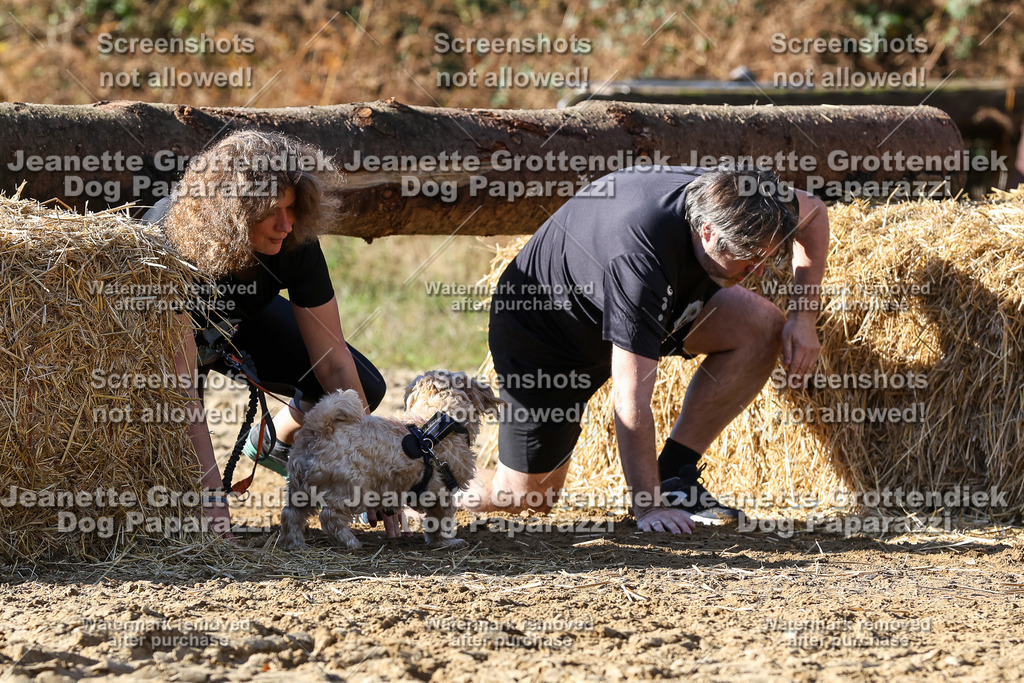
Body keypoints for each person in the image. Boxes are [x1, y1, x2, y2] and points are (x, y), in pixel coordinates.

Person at [462, 165, 829, 534]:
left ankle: (675, 478)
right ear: (707, 232)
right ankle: (429, 490)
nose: (761, 272)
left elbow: (814, 211)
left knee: (763, 327)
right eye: (750, 259)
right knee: (525, 499)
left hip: (640, 297)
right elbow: (630, 401)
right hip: (547, 333)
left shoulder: (743, 196)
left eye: (767, 257)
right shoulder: (641, 262)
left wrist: (803, 317)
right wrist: (649, 510)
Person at [147, 130, 393, 537]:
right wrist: (212, 502)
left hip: (241, 322)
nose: (285, 224)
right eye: (270, 211)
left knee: (361, 388)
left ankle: (274, 440)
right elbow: (181, 389)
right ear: (230, 213)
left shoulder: (295, 240)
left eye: (293, 208)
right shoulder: (167, 245)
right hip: (163, 341)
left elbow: (332, 364)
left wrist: (376, 473)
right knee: (173, 468)